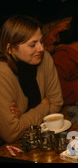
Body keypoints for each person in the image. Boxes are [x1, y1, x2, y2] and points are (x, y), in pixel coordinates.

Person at [0, 15, 63, 143]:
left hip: (40, 140)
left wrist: (23, 118)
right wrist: (44, 105)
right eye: (32, 45)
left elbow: (57, 102)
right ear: (11, 49)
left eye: (41, 41)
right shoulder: (2, 74)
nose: (40, 48)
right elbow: (11, 133)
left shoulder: (44, 58)